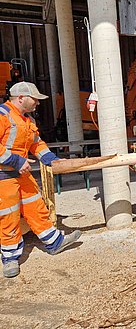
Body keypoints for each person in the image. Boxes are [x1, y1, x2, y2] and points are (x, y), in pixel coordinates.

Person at [0, 82, 81, 278]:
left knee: (36, 206)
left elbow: (36, 144)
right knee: (8, 216)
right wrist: (16, 160)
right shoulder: (3, 115)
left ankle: (54, 242)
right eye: (34, 98)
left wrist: (51, 160)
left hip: (21, 173)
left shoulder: (26, 120)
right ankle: (10, 258)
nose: (37, 102)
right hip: (3, 176)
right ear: (20, 98)